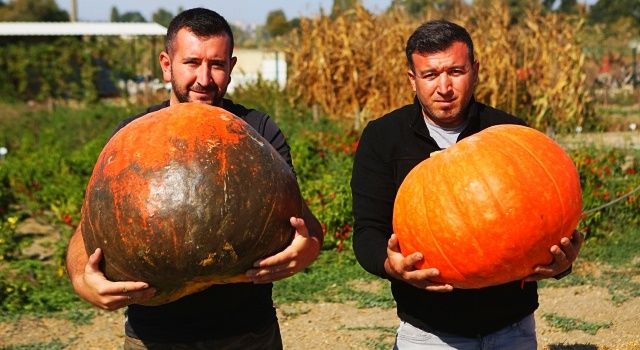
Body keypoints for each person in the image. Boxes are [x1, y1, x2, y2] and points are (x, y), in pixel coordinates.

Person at [66, 8, 323, 349]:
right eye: (192, 62)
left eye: (216, 64)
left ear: (231, 68)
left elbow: (303, 220)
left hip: (246, 334)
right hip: (154, 336)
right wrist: (83, 280)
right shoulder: (132, 136)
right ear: (166, 64)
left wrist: (308, 249)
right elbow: (88, 229)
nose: (204, 78)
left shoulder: (257, 130)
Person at [350, 20, 583, 349]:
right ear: (412, 78)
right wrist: (391, 265)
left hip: (511, 328)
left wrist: (561, 263)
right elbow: (368, 231)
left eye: (456, 72)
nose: (443, 87)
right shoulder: (384, 138)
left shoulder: (511, 133)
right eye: (430, 75)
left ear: (475, 70)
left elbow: (544, 217)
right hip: (429, 332)